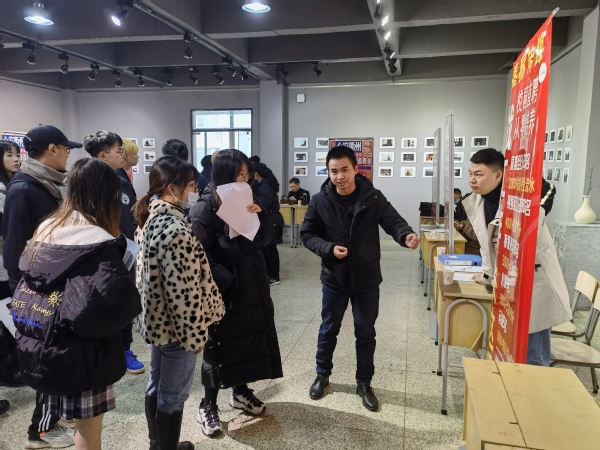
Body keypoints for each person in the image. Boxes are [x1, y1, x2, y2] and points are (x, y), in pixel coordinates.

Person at [12, 158, 142, 450]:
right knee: (88, 432)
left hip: (44, 345)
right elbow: (112, 308)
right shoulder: (99, 242)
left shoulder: (47, 230)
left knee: (64, 419)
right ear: (107, 195)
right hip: (85, 354)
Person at [300, 145, 420, 412]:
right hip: (335, 278)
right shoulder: (320, 200)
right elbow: (307, 234)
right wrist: (328, 248)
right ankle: (322, 375)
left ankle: (364, 383)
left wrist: (405, 235)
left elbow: (393, 221)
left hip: (366, 279)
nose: (339, 176)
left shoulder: (373, 197)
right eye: (334, 171)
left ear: (356, 169)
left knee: (365, 332)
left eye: (345, 170)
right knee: (328, 329)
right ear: (328, 172)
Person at [189, 149, 283, 437]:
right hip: (224, 289)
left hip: (253, 282)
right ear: (224, 174)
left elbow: (265, 239)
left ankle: (240, 391)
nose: (244, 179)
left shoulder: (248, 198)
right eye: (238, 174)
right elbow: (201, 255)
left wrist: (261, 216)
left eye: (246, 174)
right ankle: (208, 403)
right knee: (218, 345)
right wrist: (227, 279)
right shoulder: (205, 206)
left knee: (249, 337)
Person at [133, 156, 224, 450]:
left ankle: (156, 444)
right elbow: (183, 293)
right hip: (177, 330)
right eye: (191, 184)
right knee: (173, 396)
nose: (194, 189)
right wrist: (195, 337)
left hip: (157, 323)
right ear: (173, 188)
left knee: (157, 384)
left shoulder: (149, 219)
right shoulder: (176, 230)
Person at [3, 125, 78, 449]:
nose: (68, 155)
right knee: (48, 360)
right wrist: (29, 295)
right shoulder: (24, 189)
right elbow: (13, 250)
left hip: (53, 285)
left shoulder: (47, 185)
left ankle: (53, 419)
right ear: (51, 149)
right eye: (66, 149)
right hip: (38, 291)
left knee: (57, 358)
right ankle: (41, 431)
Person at [463, 148, 571, 366]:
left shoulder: (520, 196)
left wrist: (533, 209)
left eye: (479, 174)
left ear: (499, 175)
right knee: (510, 348)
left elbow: (547, 189)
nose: (472, 180)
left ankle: (535, 386)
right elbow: (486, 246)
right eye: (470, 173)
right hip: (505, 284)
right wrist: (487, 276)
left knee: (533, 354)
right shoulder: (476, 202)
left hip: (534, 283)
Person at [84, 131, 145, 375]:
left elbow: (128, 217)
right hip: (102, 252)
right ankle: (109, 350)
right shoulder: (88, 182)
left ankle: (124, 349)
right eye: (119, 151)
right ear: (103, 155)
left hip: (125, 250)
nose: (123, 155)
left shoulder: (121, 180)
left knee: (124, 300)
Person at [0, 140, 25, 389]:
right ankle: (8, 369)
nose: (16, 159)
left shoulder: (13, 186)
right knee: (6, 317)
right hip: (3, 267)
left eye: (17, 154)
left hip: (14, 263)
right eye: (9, 155)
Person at [253, 163, 284, 285]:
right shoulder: (264, 185)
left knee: (270, 250)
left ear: (256, 173)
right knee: (268, 249)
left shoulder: (265, 187)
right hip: (271, 220)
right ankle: (270, 274)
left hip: (271, 221)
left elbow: (263, 205)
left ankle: (274, 276)